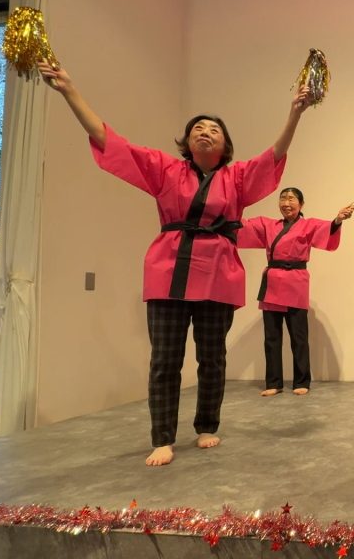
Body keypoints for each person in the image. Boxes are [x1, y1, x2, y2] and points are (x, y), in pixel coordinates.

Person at [37, 61, 313, 467]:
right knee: (165, 359)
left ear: (225, 145)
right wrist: (69, 91)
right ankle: (163, 437)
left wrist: (295, 113)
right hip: (169, 272)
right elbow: (111, 142)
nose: (205, 131)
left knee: (212, 358)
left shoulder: (237, 178)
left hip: (218, 274)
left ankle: (207, 426)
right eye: (198, 127)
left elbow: (273, 157)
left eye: (214, 129)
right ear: (187, 140)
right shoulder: (164, 169)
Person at [239, 188, 354, 397]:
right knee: (271, 337)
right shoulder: (268, 225)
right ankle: (273, 382)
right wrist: (230, 209)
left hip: (296, 281)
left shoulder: (308, 225)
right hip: (272, 282)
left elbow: (327, 229)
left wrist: (338, 219)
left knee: (298, 336)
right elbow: (243, 226)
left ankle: (302, 381)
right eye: (283, 199)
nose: (286, 203)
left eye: (291, 199)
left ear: (301, 204)